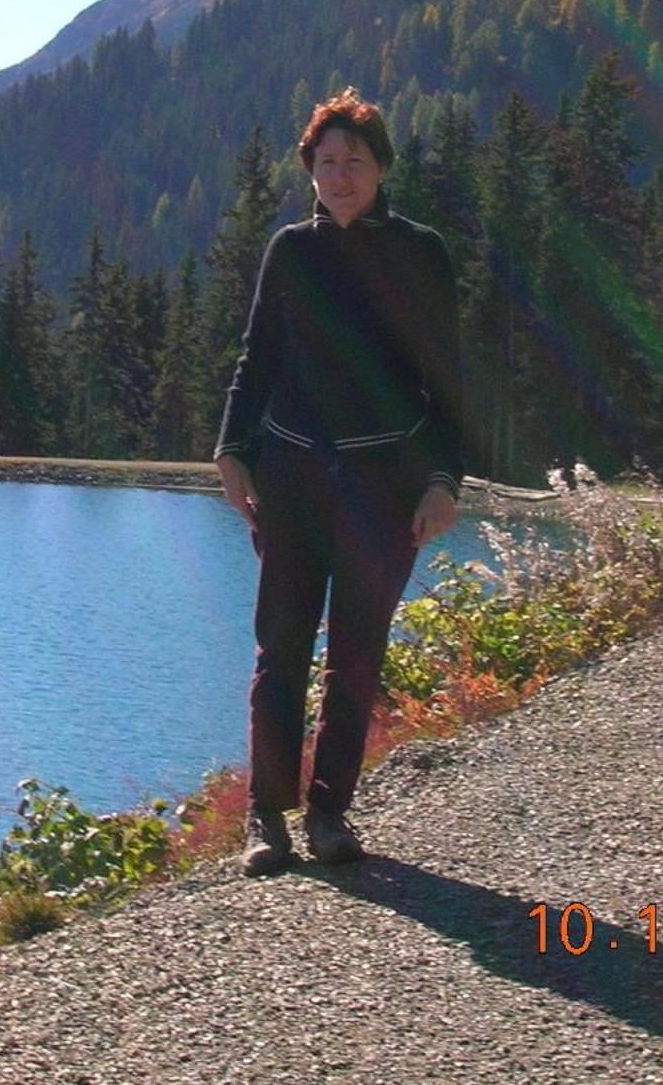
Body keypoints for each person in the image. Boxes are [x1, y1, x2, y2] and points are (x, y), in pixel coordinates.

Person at [214, 87, 465, 876]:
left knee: (357, 656)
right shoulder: (291, 250)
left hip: (384, 483)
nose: (341, 175)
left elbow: (449, 378)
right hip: (290, 470)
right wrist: (231, 448)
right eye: (327, 163)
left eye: (355, 161)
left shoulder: (422, 253)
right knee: (279, 649)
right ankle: (267, 817)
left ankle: (328, 814)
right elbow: (258, 356)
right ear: (310, 173)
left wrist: (443, 479)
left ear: (382, 166)